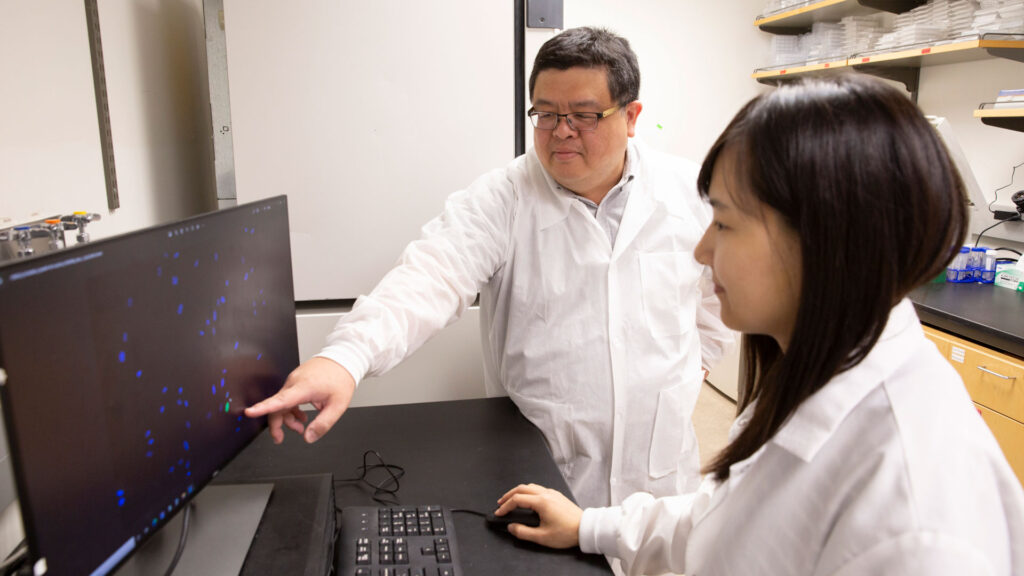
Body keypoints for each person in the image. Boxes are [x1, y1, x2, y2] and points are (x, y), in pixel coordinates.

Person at [493, 74, 1024, 575]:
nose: (702, 251)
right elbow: (729, 511)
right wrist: (592, 526)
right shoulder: (819, 375)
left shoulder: (915, 514)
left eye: (723, 223)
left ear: (824, 240)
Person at [245, 27, 733, 509]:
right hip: (547, 472)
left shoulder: (688, 192)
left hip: (661, 473)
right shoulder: (506, 197)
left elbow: (717, 293)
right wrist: (344, 359)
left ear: (631, 116)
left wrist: (690, 370)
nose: (561, 130)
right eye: (545, 113)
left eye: (583, 114)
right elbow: (429, 277)